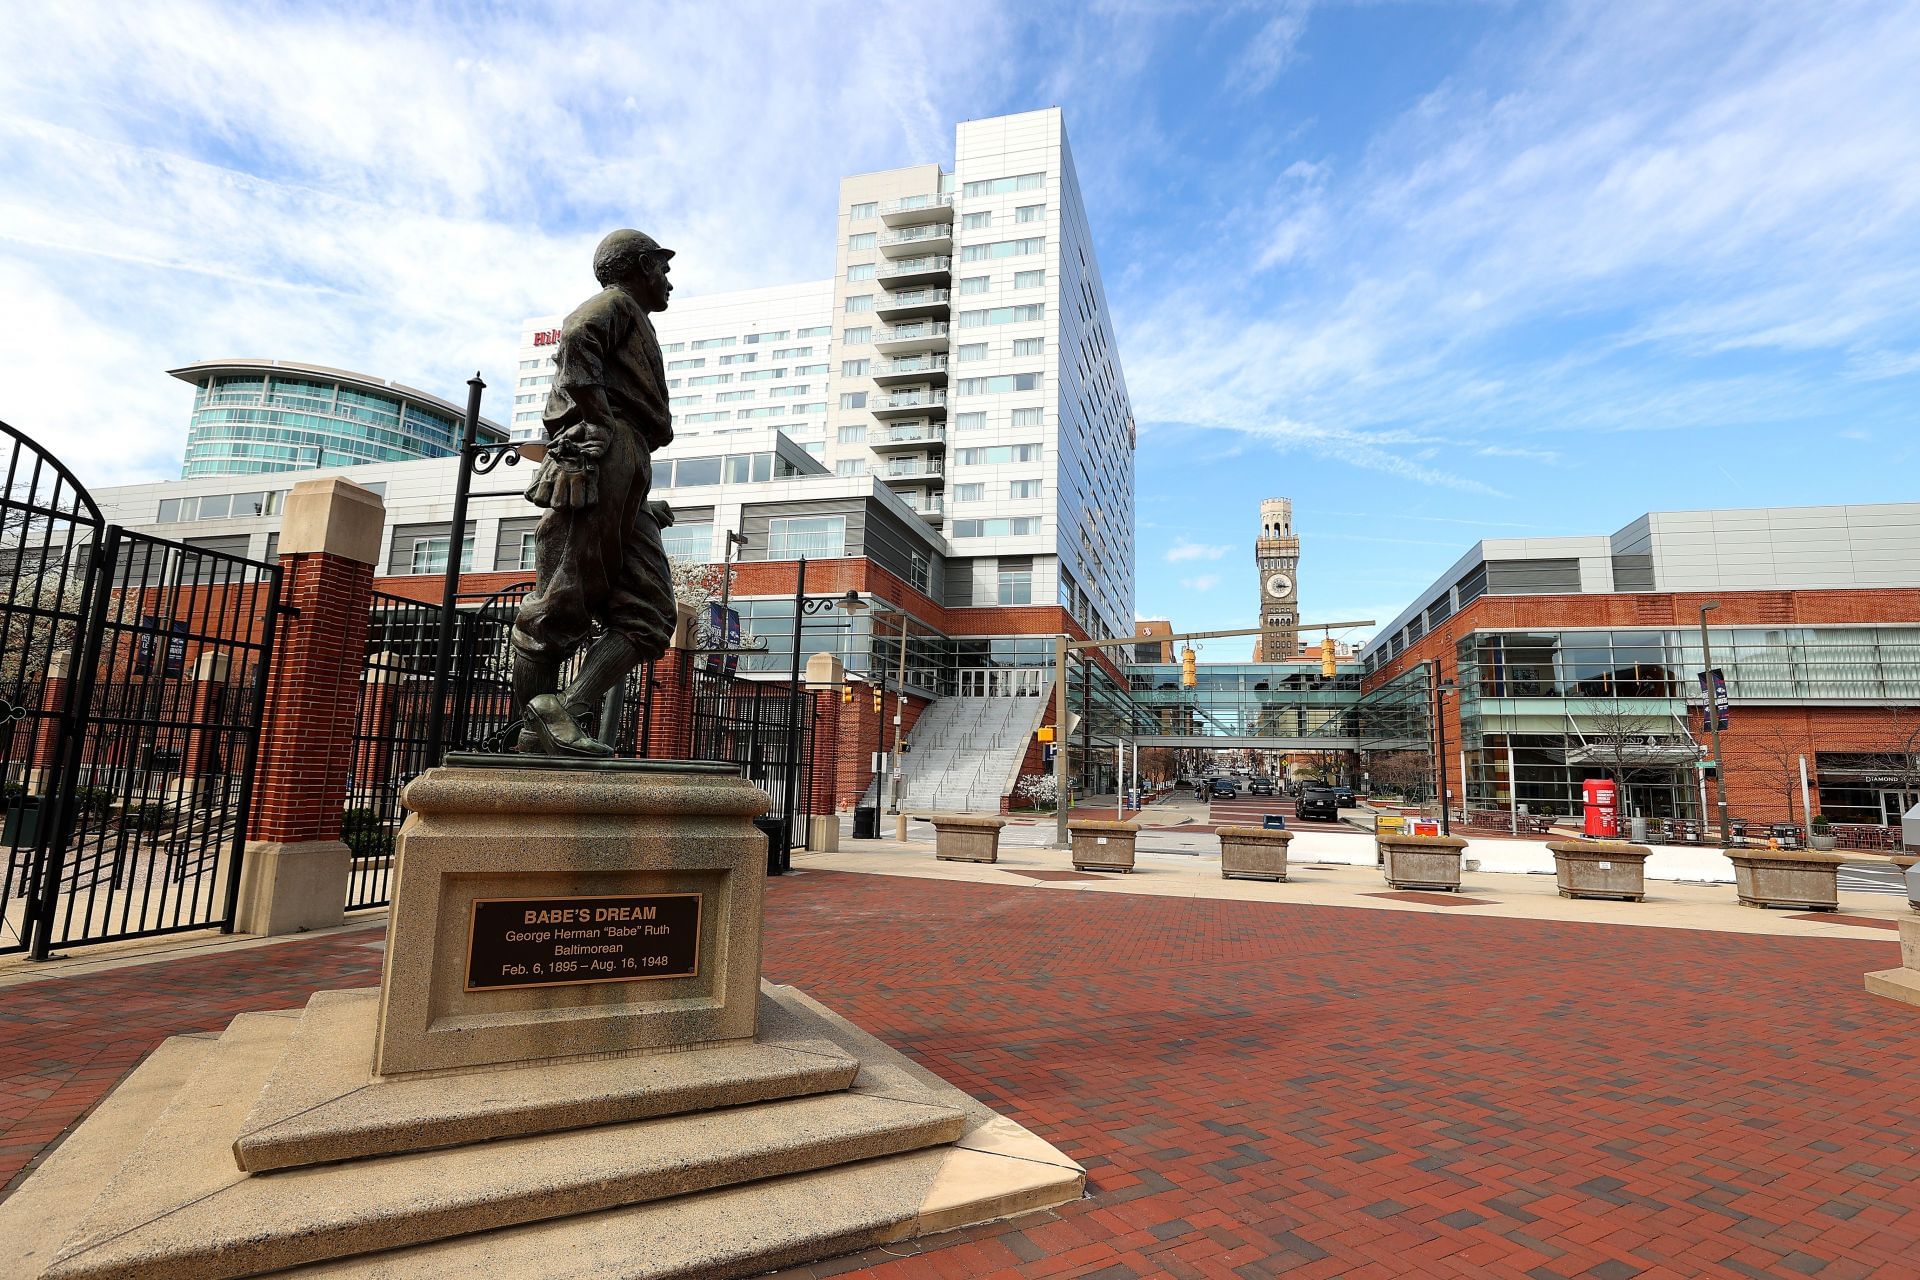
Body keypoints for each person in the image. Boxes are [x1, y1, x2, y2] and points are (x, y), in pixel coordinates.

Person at [509, 229, 680, 757]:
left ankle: (562, 714)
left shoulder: (632, 315)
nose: (668, 279)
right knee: (560, 603)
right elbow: (577, 338)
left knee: (650, 612)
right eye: (661, 266)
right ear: (638, 267)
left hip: (627, 462)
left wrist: (634, 499)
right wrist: (601, 425)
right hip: (604, 453)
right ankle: (536, 739)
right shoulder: (611, 304)